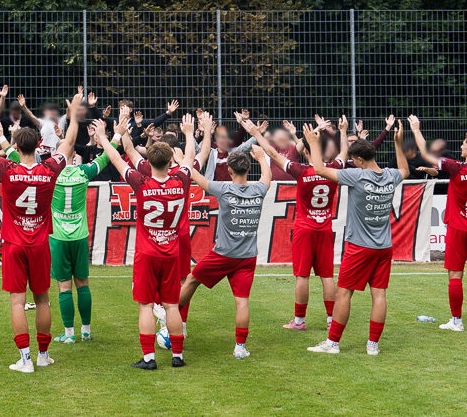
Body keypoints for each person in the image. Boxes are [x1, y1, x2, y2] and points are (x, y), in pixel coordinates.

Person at [0, 88, 81, 373]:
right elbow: (69, 142)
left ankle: (25, 359)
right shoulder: (49, 170)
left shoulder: (7, 169)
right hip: (40, 243)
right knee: (43, 299)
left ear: (17, 147)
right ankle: (43, 355)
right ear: (38, 146)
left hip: (14, 243)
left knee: (17, 302)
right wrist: (73, 114)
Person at [0, 108, 122, 346]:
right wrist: (116, 136)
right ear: (74, 154)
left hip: (58, 237)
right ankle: (86, 330)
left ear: (59, 154)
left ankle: (69, 333)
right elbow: (106, 158)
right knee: (83, 283)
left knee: (63, 286)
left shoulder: (49, 173)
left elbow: (15, 156)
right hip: (80, 235)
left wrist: (1, 137)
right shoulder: (83, 172)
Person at [96, 114, 196, 369]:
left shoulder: (142, 183)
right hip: (171, 253)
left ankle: (149, 358)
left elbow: (117, 159)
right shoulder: (181, 180)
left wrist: (106, 138)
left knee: (145, 305)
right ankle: (177, 356)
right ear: (171, 161)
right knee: (172, 305)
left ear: (148, 162)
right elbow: (190, 158)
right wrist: (189, 133)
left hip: (147, 253)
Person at [305, 122, 409, 355]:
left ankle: (333, 343)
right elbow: (404, 169)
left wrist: (313, 143)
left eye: (354, 160)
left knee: (344, 293)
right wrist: (398, 143)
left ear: (360, 160)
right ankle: (373, 345)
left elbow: (319, 170)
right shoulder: (390, 176)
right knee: (379, 294)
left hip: (359, 247)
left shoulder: (356, 176)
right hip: (384, 247)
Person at [244, 117, 348, 331]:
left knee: (302, 276)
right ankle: (331, 320)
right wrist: (344, 131)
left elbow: (273, 154)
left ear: (306, 151)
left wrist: (256, 134)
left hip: (304, 228)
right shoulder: (334, 169)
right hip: (325, 228)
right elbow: (344, 153)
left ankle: (299, 321)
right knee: (327, 276)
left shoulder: (300, 170)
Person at [181, 144, 271, 359]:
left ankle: (171, 318)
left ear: (229, 171)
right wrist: (261, 158)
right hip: (247, 257)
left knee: (191, 280)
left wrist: (181, 160)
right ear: (248, 169)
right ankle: (240, 347)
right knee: (242, 301)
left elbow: (194, 175)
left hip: (222, 254)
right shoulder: (259, 190)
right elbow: (267, 175)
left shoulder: (223, 189)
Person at [408, 116, 466, 331]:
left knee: (455, 275)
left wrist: (416, 130)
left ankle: (456, 321)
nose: (462, 145)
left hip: (459, 227)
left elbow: (426, 153)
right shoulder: (457, 168)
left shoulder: (458, 168)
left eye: (465, 142)